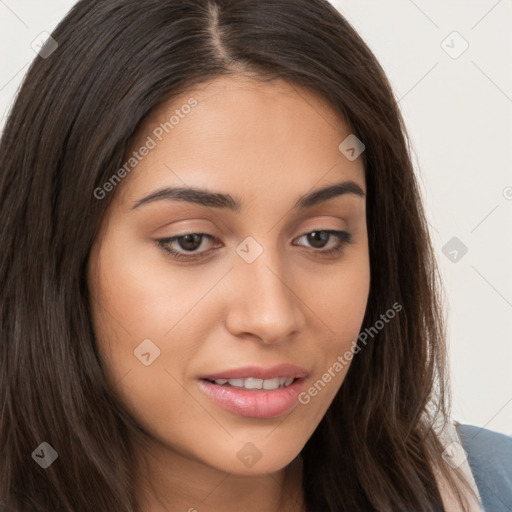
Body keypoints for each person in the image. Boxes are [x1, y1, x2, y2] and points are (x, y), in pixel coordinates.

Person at [0, 1, 510, 511]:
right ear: (61, 257)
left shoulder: (492, 489)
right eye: (190, 241)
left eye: (320, 237)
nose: (272, 317)